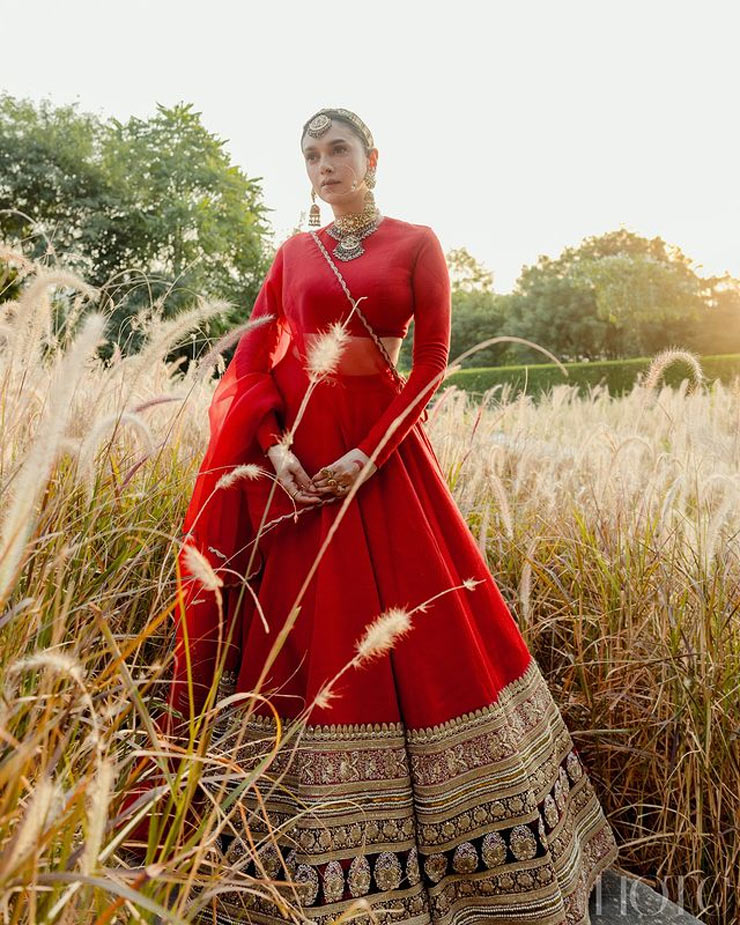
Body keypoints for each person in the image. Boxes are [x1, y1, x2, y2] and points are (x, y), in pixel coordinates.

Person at [137, 107, 620, 923]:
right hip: (296, 478)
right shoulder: (293, 252)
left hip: (383, 462)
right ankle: (289, 866)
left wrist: (368, 453)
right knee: (304, 637)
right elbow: (258, 354)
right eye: (311, 155)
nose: (323, 165)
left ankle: (475, 866)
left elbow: (430, 359)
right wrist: (274, 447)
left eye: (338, 151)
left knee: (427, 632)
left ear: (371, 158)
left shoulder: (418, 242)